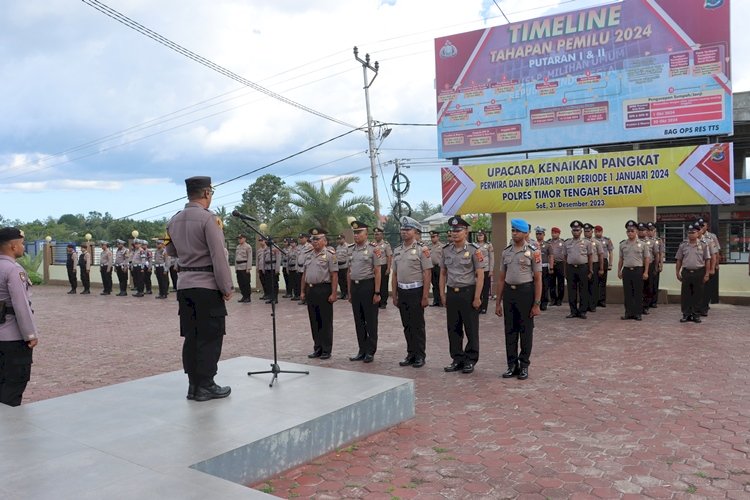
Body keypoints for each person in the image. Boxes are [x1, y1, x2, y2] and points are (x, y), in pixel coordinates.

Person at [165, 176, 233, 402]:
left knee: (192, 336)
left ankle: (193, 385)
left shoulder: (174, 220)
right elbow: (218, 255)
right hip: (206, 285)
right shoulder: (209, 219)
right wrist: (226, 286)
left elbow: (172, 251)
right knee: (210, 336)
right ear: (206, 193)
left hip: (185, 285)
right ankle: (206, 385)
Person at [496, 219, 542, 380]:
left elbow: (538, 279)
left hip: (526, 293)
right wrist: (498, 302)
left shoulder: (533, 251)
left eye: (517, 231)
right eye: (513, 230)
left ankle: (524, 365)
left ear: (525, 233)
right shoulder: (506, 252)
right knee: (510, 330)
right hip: (509, 293)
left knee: (525, 331)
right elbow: (501, 278)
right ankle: (511, 365)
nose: (514, 233)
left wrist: (536, 304)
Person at [439, 216, 486, 374]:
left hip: (468, 292)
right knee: (453, 328)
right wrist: (442, 294)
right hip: (452, 293)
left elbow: (480, 274)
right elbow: (443, 273)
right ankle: (457, 358)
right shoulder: (446, 250)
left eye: (458, 230)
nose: (455, 233)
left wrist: (478, 297)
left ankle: (470, 360)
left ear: (466, 232)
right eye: (453, 230)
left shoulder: (474, 250)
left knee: (471, 328)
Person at [0, 227, 39, 406]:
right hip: (13, 338)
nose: (23, 247)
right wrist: (30, 335)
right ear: (13, 246)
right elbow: (21, 306)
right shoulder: (13, 270)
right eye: (22, 243)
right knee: (13, 386)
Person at [392, 216, 432, 368]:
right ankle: (410, 354)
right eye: (402, 229)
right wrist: (394, 294)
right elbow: (394, 274)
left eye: (408, 229)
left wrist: (425, 296)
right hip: (402, 291)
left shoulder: (422, 249)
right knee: (407, 325)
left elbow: (427, 273)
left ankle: (420, 355)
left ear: (416, 232)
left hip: (416, 291)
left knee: (417, 325)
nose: (404, 232)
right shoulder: (397, 250)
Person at [300, 228, 338, 359]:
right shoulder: (308, 254)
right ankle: (317, 347)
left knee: (325, 321)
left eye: (317, 239)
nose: (314, 242)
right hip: (311, 290)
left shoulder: (330, 254)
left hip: (324, 289)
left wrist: (334, 293)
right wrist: (302, 291)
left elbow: (334, 275)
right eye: (313, 240)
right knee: (314, 320)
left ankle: (326, 349)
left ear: (324, 241)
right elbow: (304, 274)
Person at [347, 220, 381, 363]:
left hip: (368, 286)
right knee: (358, 320)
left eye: (359, 232)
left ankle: (370, 351)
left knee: (370, 320)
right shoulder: (350, 249)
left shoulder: (374, 249)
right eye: (354, 233)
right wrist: (349, 291)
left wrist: (377, 292)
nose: (356, 235)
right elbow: (348, 272)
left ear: (366, 234)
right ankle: (361, 349)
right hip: (355, 287)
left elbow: (378, 271)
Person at [675, 222, 710, 323]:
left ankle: (696, 315)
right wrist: (677, 272)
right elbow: (679, 260)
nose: (691, 234)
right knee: (686, 295)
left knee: (698, 294)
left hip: (699, 272)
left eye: (693, 232)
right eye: (689, 232)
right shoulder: (683, 245)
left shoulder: (703, 245)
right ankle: (686, 314)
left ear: (698, 233)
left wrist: (707, 273)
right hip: (686, 272)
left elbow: (707, 260)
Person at [617, 220, 649, 321]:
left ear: (636, 232)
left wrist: (646, 272)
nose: (630, 233)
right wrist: (619, 270)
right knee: (628, 293)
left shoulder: (643, 244)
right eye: (628, 231)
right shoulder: (623, 244)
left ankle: (638, 313)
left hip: (638, 270)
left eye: (632, 231)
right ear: (626, 232)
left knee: (638, 293)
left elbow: (646, 259)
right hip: (626, 270)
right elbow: (621, 259)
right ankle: (628, 313)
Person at [563, 220, 592, 319]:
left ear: (581, 231)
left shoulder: (587, 243)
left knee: (583, 290)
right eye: (574, 230)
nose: (576, 232)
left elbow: (590, 257)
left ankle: (582, 311)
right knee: (571, 291)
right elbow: (565, 258)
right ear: (572, 231)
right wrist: (565, 271)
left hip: (583, 268)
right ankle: (573, 311)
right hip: (571, 268)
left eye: (578, 230)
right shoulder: (567, 243)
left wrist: (590, 270)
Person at [582, 223, 604, 312]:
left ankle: (592, 305)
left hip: (594, 265)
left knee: (593, 286)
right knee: (584, 286)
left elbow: (601, 256)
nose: (586, 233)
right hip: (584, 265)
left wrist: (601, 268)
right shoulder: (581, 241)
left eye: (588, 231)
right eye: (585, 231)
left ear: (592, 231)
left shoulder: (597, 242)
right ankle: (584, 305)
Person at [593, 225, 613, 307]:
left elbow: (610, 252)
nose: (598, 233)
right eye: (596, 232)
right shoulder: (591, 240)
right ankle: (595, 300)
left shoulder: (607, 240)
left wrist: (610, 264)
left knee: (603, 282)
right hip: (595, 262)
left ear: (602, 232)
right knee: (594, 282)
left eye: (599, 232)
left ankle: (602, 300)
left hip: (604, 261)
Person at [474, 230, 493, 314]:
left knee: (485, 289)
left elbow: (491, 258)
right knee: (478, 289)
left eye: (481, 235)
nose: (480, 237)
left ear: (484, 236)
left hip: (486, 269)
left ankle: (484, 307)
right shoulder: (474, 245)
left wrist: (491, 270)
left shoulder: (488, 245)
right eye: (478, 235)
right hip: (477, 270)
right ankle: (479, 306)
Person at [373, 227, 392, 309]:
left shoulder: (386, 245)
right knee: (376, 284)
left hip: (383, 266)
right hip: (375, 267)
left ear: (382, 235)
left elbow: (389, 256)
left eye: (378, 234)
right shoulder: (372, 245)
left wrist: (388, 268)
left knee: (383, 285)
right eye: (375, 234)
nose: (376, 236)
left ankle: (383, 302)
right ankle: (377, 301)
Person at [548, 227, 565, 306]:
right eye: (552, 233)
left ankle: (559, 300)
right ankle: (553, 299)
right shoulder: (548, 242)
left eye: (555, 233)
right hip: (551, 264)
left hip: (560, 264)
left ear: (559, 234)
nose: (553, 234)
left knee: (561, 282)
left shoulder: (563, 242)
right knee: (551, 282)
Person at [534, 227, 550, 310]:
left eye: (540, 234)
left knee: (544, 286)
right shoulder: (532, 244)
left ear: (544, 234)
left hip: (544, 267)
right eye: (537, 234)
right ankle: (536, 303)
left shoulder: (547, 244)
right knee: (535, 286)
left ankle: (544, 303)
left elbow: (551, 256)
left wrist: (551, 267)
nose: (538, 235)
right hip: (535, 268)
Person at [235, 234, 253, 303]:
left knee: (246, 282)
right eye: (238, 238)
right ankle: (243, 296)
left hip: (244, 267)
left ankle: (248, 297)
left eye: (240, 238)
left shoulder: (248, 247)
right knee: (240, 282)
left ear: (244, 239)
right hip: (239, 267)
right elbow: (236, 258)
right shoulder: (238, 247)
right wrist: (236, 268)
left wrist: (248, 268)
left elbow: (250, 257)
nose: (239, 239)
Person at [428, 230, 443, 306]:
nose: (432, 238)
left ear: (438, 237)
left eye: (434, 237)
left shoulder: (442, 246)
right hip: (431, 267)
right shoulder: (429, 246)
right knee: (434, 284)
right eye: (431, 237)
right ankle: (435, 300)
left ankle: (441, 301)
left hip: (439, 267)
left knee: (440, 284)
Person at [335, 234, 350, 299]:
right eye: (338, 239)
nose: (339, 240)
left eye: (340, 239)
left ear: (344, 239)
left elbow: (349, 256)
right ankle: (342, 293)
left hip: (345, 266)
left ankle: (347, 294)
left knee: (346, 281)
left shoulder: (348, 246)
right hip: (339, 266)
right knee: (340, 281)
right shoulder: (337, 247)